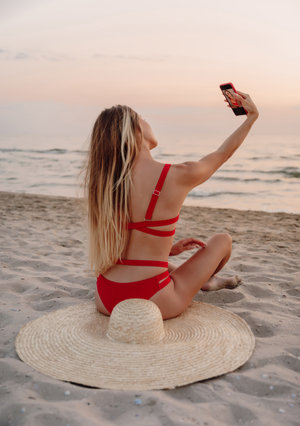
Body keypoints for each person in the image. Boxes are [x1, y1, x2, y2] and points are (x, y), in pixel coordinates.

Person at [83, 90, 259, 320]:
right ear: (136, 129)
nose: (147, 121)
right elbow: (223, 154)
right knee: (222, 241)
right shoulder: (176, 175)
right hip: (153, 298)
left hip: (106, 296)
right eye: (142, 117)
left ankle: (203, 280)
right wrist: (251, 116)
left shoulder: (105, 184)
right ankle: (204, 281)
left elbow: (124, 238)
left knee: (154, 261)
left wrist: (168, 249)